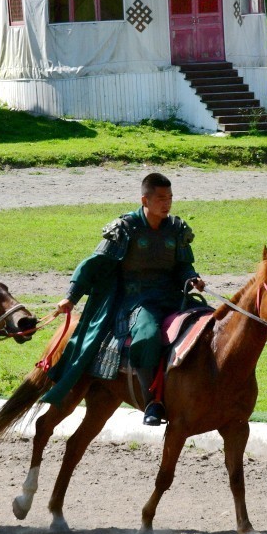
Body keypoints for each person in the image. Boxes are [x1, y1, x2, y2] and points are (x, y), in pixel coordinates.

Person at [52, 172, 205, 426]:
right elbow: (92, 265)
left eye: (170, 198)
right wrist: (71, 297)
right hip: (136, 300)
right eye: (160, 199)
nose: (166, 204)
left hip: (172, 297)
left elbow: (183, 267)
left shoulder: (177, 229)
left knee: (210, 323)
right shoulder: (125, 228)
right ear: (145, 200)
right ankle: (152, 402)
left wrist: (191, 278)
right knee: (146, 336)